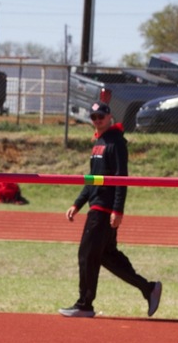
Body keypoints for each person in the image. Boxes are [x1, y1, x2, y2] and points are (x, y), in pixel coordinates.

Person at [59, 101, 162, 318]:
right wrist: (77, 204)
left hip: (104, 209)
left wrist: (117, 209)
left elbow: (121, 178)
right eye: (93, 117)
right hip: (96, 204)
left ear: (109, 117)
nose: (97, 120)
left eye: (101, 116)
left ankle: (84, 304)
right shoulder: (99, 142)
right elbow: (92, 179)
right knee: (106, 256)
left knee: (87, 254)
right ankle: (149, 288)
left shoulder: (116, 142)